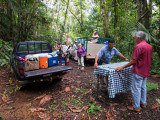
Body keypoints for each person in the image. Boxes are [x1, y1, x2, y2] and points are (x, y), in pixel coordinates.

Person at [115, 31, 153, 112]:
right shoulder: (149, 46)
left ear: (139, 38)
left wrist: (122, 67)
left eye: (135, 38)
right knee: (143, 87)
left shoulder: (138, 46)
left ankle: (136, 107)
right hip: (145, 71)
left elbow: (134, 61)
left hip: (138, 70)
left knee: (136, 89)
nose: (134, 39)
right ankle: (143, 103)